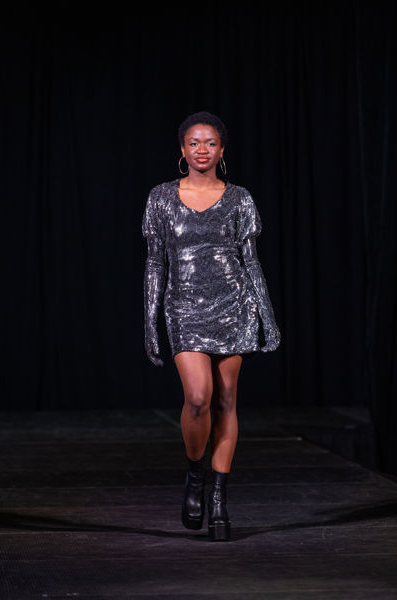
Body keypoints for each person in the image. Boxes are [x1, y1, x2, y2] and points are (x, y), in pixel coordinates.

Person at [142, 111, 280, 541]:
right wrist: (149, 321)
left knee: (225, 400)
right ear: (182, 150)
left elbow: (251, 262)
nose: (202, 150)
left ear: (222, 150)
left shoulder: (239, 198)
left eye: (210, 143)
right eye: (194, 143)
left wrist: (268, 317)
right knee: (198, 397)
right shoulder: (161, 198)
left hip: (233, 304)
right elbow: (155, 263)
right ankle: (195, 474)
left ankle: (219, 498)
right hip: (183, 307)